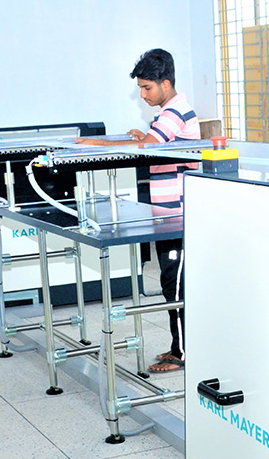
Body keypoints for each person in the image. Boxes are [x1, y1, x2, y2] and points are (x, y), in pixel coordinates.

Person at [75, 49, 199, 373]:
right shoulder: (168, 112)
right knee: (173, 283)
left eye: (147, 87)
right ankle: (179, 346)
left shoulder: (174, 112)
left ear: (165, 84)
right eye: (141, 88)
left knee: (175, 285)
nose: (143, 95)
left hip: (178, 214)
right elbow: (155, 143)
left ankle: (183, 353)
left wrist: (97, 144)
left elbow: (147, 147)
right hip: (168, 213)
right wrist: (144, 136)